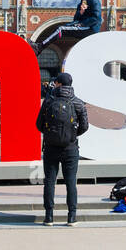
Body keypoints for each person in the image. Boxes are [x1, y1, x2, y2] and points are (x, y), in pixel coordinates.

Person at [36, 72, 89, 226]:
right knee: (71, 182)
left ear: (58, 83)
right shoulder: (78, 102)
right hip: (70, 148)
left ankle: (49, 217)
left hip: (51, 148)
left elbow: (38, 124)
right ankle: (72, 217)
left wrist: (50, 134)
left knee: (49, 182)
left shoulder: (49, 101)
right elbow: (85, 126)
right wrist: (72, 135)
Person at [37, 0, 103, 50]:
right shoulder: (81, 3)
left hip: (90, 28)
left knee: (61, 29)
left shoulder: (94, 1)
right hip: (84, 27)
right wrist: (81, 12)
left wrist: (83, 24)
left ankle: (40, 47)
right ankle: (41, 45)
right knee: (60, 27)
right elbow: (76, 19)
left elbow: (96, 18)